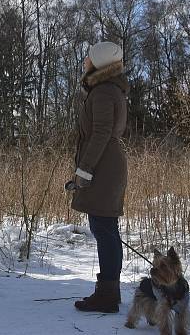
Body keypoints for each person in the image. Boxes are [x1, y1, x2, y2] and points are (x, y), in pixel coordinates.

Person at [66, 41, 129, 314]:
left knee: (104, 230)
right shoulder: (108, 89)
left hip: (104, 168)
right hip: (107, 165)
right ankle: (109, 293)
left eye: (88, 57)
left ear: (100, 62)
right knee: (106, 230)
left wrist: (85, 170)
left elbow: (101, 133)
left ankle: (107, 296)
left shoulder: (103, 91)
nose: (84, 61)